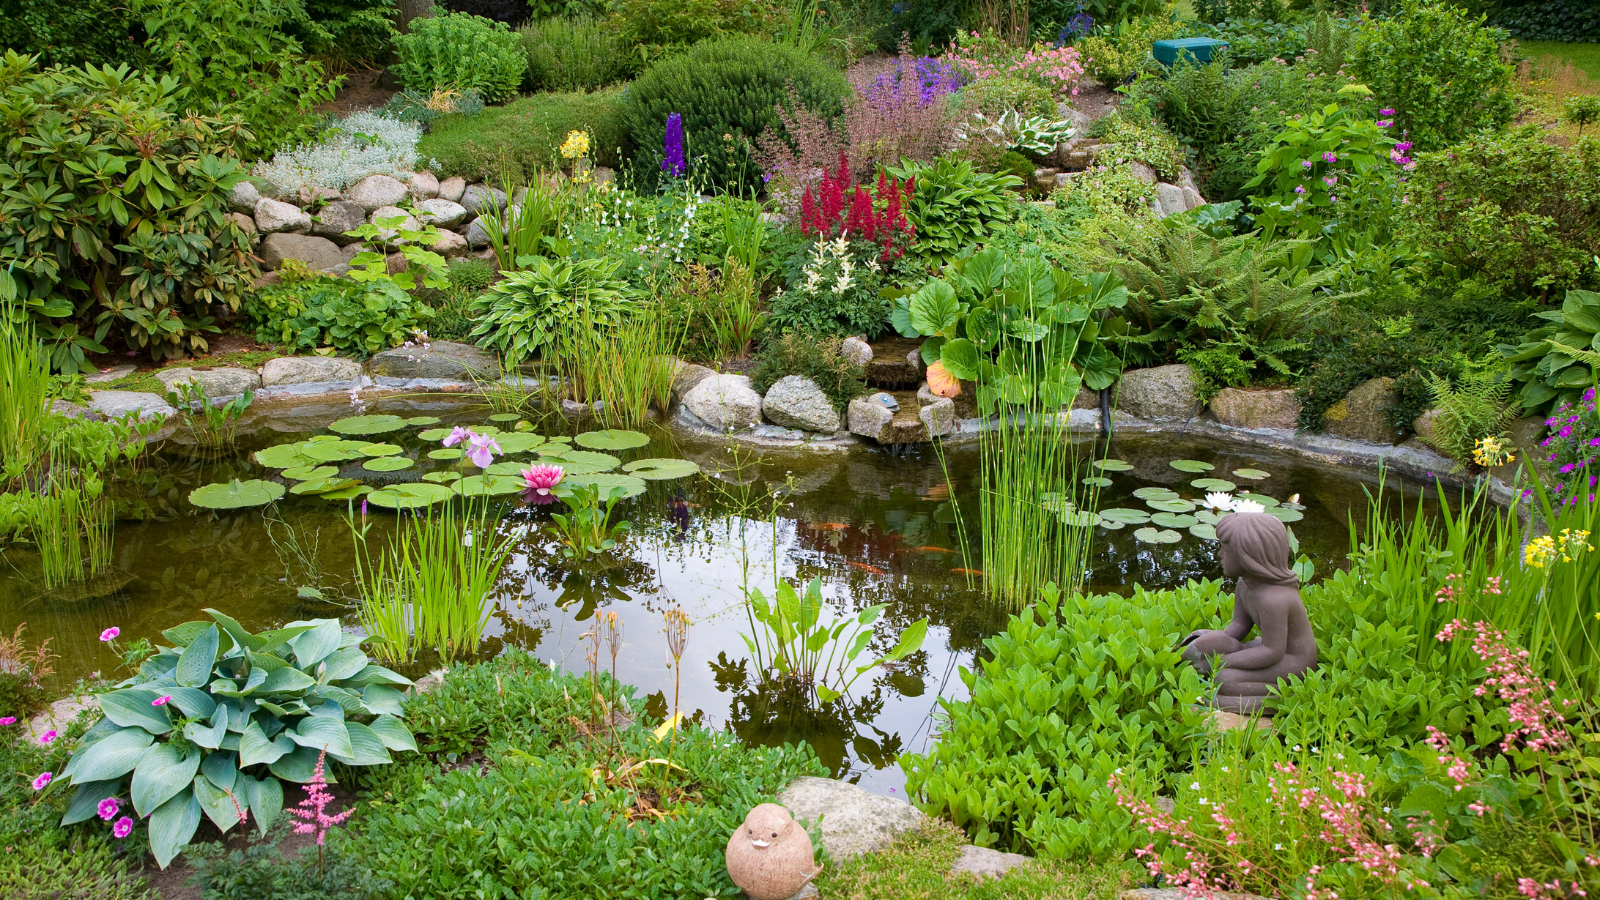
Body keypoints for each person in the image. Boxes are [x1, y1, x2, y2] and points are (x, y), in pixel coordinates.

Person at [1178, 511, 1317, 714]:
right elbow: (1238, 626)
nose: (1219, 554)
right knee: (1221, 658)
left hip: (1294, 662)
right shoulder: (1245, 584)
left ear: (1248, 555)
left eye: (1225, 549)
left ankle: (1284, 698)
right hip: (1267, 649)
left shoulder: (1274, 599)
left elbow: (1272, 652)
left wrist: (1219, 662)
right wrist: (1216, 643)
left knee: (1224, 679)